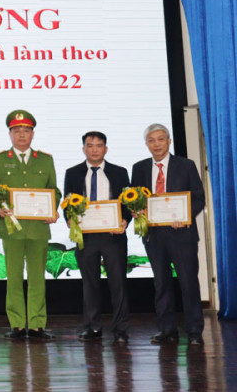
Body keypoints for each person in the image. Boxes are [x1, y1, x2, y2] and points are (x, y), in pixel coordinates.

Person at [0, 110, 61, 340]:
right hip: (11, 229)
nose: (21, 135)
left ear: (32, 134)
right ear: (10, 133)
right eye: (16, 130)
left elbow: (54, 190)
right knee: (14, 277)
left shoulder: (45, 160)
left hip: (38, 228)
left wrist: (52, 208)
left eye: (26, 130)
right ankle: (17, 324)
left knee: (38, 278)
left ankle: (37, 324)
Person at [130, 123, 206, 345]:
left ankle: (194, 331)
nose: (156, 144)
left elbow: (198, 198)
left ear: (169, 141)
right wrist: (136, 211)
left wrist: (185, 216)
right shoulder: (139, 168)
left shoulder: (186, 165)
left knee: (188, 283)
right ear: (147, 144)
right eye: (151, 140)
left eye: (161, 139)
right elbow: (134, 199)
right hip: (153, 236)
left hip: (182, 234)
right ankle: (167, 330)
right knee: (161, 284)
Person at [64, 131, 131, 344]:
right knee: (89, 284)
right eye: (90, 145)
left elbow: (127, 203)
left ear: (106, 149)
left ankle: (120, 329)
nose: (94, 149)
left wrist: (125, 220)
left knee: (118, 284)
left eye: (99, 145)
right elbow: (67, 202)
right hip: (86, 236)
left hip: (113, 236)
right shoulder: (72, 173)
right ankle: (92, 327)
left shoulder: (119, 172)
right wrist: (69, 219)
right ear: (83, 148)